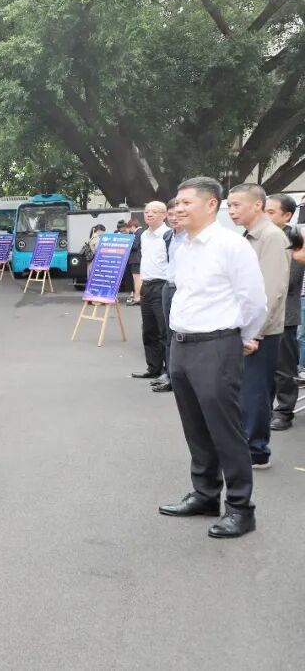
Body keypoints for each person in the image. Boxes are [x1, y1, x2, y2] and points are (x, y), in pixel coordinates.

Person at [159, 177, 265, 539]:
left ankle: (240, 508)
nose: (178, 208)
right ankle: (205, 495)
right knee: (195, 427)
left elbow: (254, 301)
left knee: (225, 429)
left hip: (216, 346)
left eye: (186, 202)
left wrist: (242, 338)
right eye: (177, 202)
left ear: (211, 205)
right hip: (182, 345)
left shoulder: (231, 245)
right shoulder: (184, 245)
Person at [227, 183, 289, 469]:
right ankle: (245, 443)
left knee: (256, 392)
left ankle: (256, 451)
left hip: (260, 331)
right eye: (229, 205)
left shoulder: (271, 237)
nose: (231, 211)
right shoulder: (248, 236)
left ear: (258, 205)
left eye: (236, 205)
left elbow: (272, 290)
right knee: (244, 390)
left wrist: (254, 333)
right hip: (245, 327)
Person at [265, 194, 304, 431]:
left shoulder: (294, 239)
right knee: (261, 368)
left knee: (283, 369)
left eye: (271, 212)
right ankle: (263, 409)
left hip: (284, 314)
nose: (265, 216)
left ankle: (284, 411)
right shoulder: (255, 236)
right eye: (263, 211)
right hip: (259, 314)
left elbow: (290, 280)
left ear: (287, 215)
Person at [131, 202, 170, 380]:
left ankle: (169, 372)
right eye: (147, 211)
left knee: (164, 331)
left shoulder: (168, 235)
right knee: (149, 330)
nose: (149, 214)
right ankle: (153, 368)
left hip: (162, 285)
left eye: (154, 211)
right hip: (146, 285)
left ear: (164, 215)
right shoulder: (144, 236)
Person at [152, 199, 186, 393]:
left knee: (181, 332)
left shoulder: (191, 237)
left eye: (178, 214)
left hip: (183, 289)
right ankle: (169, 374)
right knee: (167, 332)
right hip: (168, 287)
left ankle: (179, 377)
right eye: (171, 214)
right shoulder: (168, 236)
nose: (174, 218)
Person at [124, 219, 143, 305]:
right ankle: (138, 297)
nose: (130, 230)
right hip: (138, 259)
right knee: (138, 278)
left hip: (136, 259)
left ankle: (137, 298)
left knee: (137, 279)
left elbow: (134, 246)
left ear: (132, 226)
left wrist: (127, 243)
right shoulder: (142, 232)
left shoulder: (138, 233)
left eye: (129, 228)